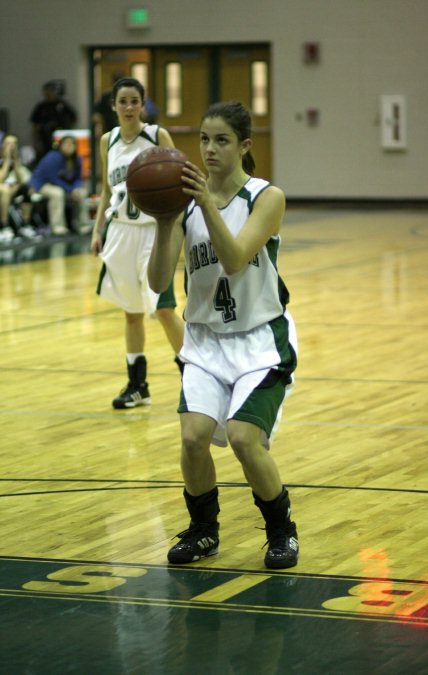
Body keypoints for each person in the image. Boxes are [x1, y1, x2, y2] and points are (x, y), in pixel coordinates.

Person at [147, 101, 299, 569]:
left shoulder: (265, 197)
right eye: (204, 140)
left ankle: (281, 531)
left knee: (242, 439)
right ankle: (203, 531)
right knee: (193, 438)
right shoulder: (185, 204)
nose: (210, 150)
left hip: (259, 342)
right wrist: (164, 220)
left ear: (244, 145)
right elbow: (156, 283)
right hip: (206, 341)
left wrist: (206, 204)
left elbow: (234, 259)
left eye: (222, 140)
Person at [91, 77, 185, 409]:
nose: (129, 107)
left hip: (154, 231)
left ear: (142, 105)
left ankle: (195, 373)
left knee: (163, 308)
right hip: (120, 231)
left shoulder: (156, 136)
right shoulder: (107, 141)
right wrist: (97, 229)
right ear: (113, 106)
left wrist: (176, 228)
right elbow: (106, 190)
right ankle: (137, 384)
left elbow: (179, 179)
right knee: (131, 312)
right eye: (123, 101)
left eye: (134, 101)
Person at [28, 135, 89, 235]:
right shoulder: (53, 157)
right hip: (43, 184)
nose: (69, 146)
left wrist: (76, 188)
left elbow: (78, 178)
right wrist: (71, 190)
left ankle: (83, 225)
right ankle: (58, 227)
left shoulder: (77, 159)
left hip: (64, 186)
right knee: (57, 193)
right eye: (66, 144)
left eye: (72, 144)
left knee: (81, 193)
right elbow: (53, 179)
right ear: (60, 145)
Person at [29, 81, 77, 162]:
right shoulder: (41, 107)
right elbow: (35, 125)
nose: (49, 93)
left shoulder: (62, 104)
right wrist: (36, 141)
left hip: (60, 136)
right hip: (45, 138)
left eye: (52, 90)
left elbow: (73, 118)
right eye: (47, 91)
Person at [0, 133, 35, 241]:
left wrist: (15, 163)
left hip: (10, 190)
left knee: (26, 188)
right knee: (5, 190)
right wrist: (7, 160)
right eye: (8, 143)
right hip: (3, 190)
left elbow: (21, 180)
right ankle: (4, 226)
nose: (12, 146)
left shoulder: (16, 159)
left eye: (15, 143)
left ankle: (25, 224)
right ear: (2, 145)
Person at [92, 70, 125, 139]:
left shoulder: (127, 95)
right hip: (110, 130)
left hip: (124, 129)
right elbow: (96, 114)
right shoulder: (106, 96)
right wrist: (98, 127)